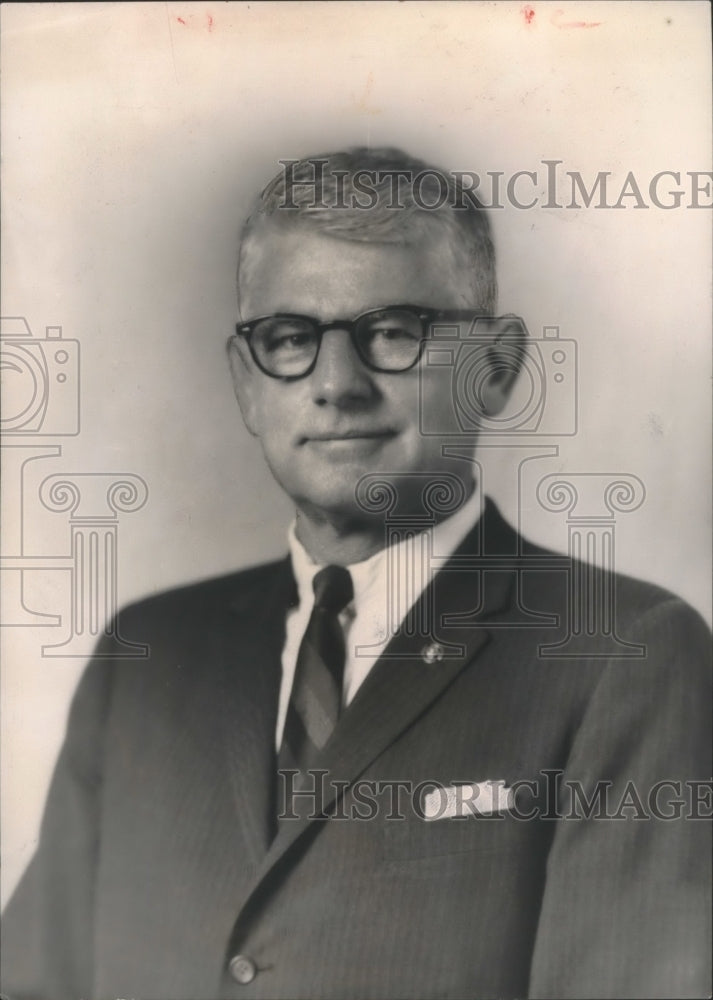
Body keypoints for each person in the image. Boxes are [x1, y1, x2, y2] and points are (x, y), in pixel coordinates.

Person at [2, 147, 710, 1000]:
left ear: (498, 368)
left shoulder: (622, 656)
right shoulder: (148, 655)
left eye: (392, 332)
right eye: (291, 339)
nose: (337, 385)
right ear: (246, 384)